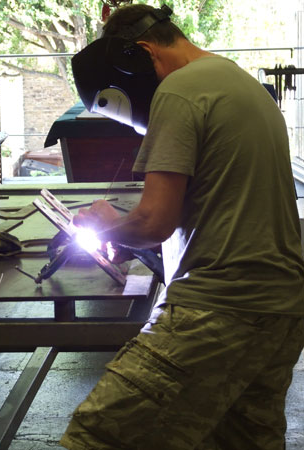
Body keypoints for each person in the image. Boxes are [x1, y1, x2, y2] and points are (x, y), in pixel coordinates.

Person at [60, 4, 304, 450]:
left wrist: (111, 225)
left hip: (218, 310)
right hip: (280, 309)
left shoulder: (179, 90)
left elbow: (155, 221)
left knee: (98, 436)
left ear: (140, 56)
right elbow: (217, 202)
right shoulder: (239, 82)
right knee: (240, 441)